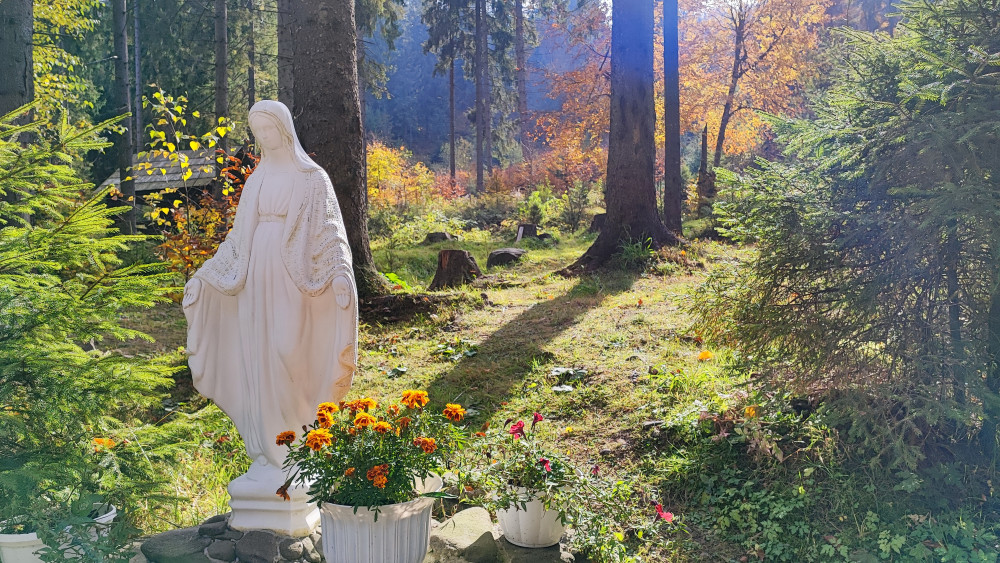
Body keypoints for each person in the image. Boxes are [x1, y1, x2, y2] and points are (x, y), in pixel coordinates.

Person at [183, 100, 357, 471]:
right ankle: (268, 450)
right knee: (259, 355)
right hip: (256, 270)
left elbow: (330, 233)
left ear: (284, 130)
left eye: (269, 130)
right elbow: (237, 237)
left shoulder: (312, 178)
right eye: (258, 132)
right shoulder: (257, 178)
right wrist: (205, 276)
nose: (264, 138)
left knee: (287, 347)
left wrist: (340, 273)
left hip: (291, 273)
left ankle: (300, 441)